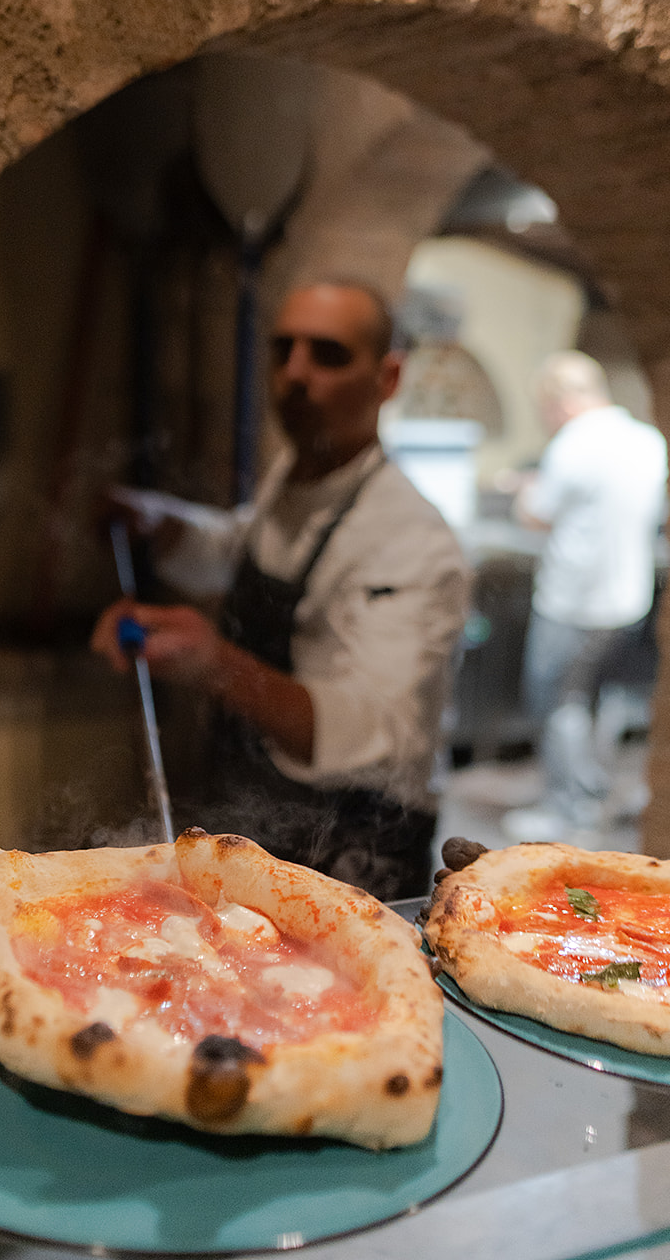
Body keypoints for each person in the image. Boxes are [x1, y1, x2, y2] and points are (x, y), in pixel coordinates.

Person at [90, 278, 470, 900]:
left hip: (351, 851)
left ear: (388, 378)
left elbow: (374, 729)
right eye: (283, 349)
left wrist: (217, 665)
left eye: (328, 354)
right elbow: (247, 551)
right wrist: (163, 524)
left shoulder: (414, 540)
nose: (296, 372)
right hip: (260, 822)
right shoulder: (297, 476)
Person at [503, 351, 668, 842]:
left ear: (561, 400)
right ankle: (596, 787)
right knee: (605, 698)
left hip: (574, 601)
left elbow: (536, 513)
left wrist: (522, 491)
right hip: (628, 596)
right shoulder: (647, 439)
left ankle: (570, 809)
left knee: (558, 702)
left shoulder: (574, 444)